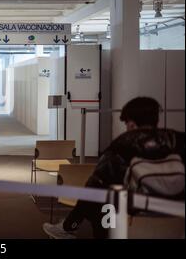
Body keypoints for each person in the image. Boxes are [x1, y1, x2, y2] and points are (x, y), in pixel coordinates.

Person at [43, 97, 185, 239]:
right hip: (176, 220)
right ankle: (68, 227)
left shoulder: (121, 146)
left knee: (95, 199)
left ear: (131, 124)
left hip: (129, 222)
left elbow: (96, 185)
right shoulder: (179, 140)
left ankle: (68, 228)